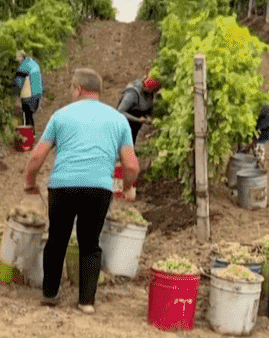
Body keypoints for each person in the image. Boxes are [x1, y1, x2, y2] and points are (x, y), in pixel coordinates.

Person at [22, 68, 139, 315]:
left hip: (63, 187)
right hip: (99, 189)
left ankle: (50, 294)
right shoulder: (118, 120)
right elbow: (130, 165)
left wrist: (29, 182)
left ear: (77, 89)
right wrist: (128, 187)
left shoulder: (60, 116)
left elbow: (37, 156)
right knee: (90, 243)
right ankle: (86, 302)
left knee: (56, 240)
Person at [116, 75, 162, 144]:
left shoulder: (150, 93)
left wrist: (149, 117)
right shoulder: (132, 94)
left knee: (131, 140)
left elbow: (148, 108)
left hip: (135, 126)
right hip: (123, 124)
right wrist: (137, 119)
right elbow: (120, 112)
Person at [13, 50, 43, 129]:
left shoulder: (23, 67)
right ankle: (32, 135)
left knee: (27, 117)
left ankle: (29, 137)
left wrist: (13, 93)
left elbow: (18, 83)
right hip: (38, 93)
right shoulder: (33, 62)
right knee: (30, 116)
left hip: (28, 94)